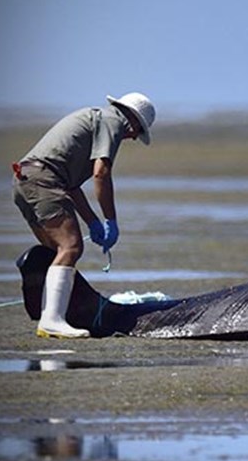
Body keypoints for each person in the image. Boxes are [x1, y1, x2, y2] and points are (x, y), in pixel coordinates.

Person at [12, 92, 156, 338]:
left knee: (55, 251)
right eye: (136, 131)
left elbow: (71, 186)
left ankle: (57, 316)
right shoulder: (113, 121)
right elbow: (101, 173)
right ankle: (52, 321)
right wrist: (111, 219)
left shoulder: (96, 120)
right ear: (131, 120)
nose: (132, 137)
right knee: (71, 248)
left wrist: (93, 221)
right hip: (44, 180)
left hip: (26, 179)